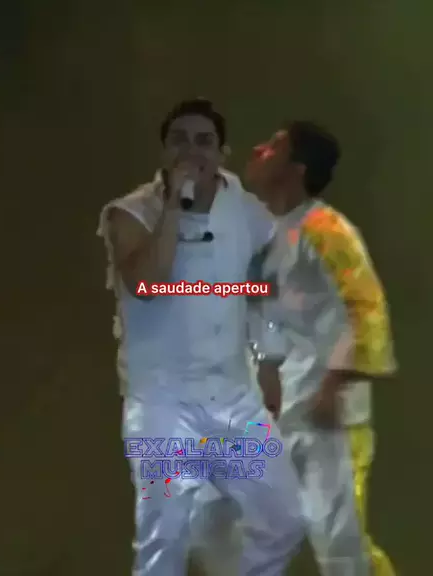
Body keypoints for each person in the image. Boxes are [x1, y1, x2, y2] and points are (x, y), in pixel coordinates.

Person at [97, 98, 304, 576]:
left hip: (234, 400)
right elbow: (148, 283)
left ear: (222, 153)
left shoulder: (246, 212)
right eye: (180, 141)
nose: (191, 151)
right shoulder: (130, 214)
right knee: (164, 540)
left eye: (204, 142)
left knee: (285, 519)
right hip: (162, 404)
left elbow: (266, 285)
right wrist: (175, 204)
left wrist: (270, 361)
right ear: (163, 151)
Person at [245, 120, 398, 576]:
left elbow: (366, 306)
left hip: (327, 417)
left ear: (296, 168)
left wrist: (333, 384)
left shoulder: (325, 229)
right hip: (284, 410)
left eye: (274, 146)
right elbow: (266, 315)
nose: (259, 149)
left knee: (340, 546)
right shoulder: (267, 237)